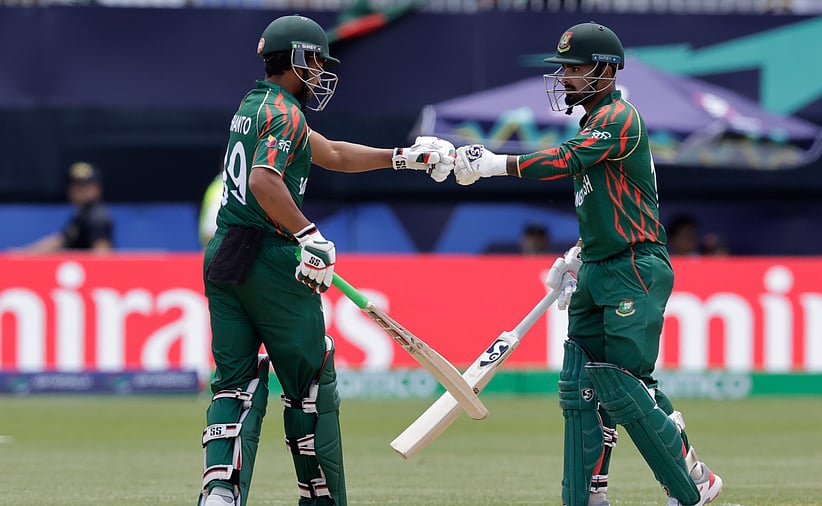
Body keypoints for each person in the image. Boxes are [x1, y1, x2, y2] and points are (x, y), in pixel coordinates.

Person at [453, 22, 722, 506]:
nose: (565, 79)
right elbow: (607, 201)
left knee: (623, 384)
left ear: (605, 70)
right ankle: (588, 496)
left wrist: (494, 164)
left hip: (635, 266)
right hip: (599, 265)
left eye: (575, 69)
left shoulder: (620, 118)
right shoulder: (592, 123)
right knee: (581, 385)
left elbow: (564, 161)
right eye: (565, 70)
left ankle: (693, 481)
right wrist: (580, 252)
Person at [197, 14, 455, 506]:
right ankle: (321, 497)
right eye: (315, 61)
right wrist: (309, 234)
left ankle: (219, 494)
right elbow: (263, 181)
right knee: (310, 381)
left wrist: (404, 157)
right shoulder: (285, 115)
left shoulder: (255, 105)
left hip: (226, 256)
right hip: (269, 258)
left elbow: (332, 152)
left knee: (234, 383)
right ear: (296, 59)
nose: (321, 72)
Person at [13, 161, 113, 253]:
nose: (78, 190)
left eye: (84, 185)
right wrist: (24, 254)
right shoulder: (82, 214)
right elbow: (60, 240)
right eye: (74, 184)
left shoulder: (98, 216)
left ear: (97, 188)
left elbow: (102, 254)